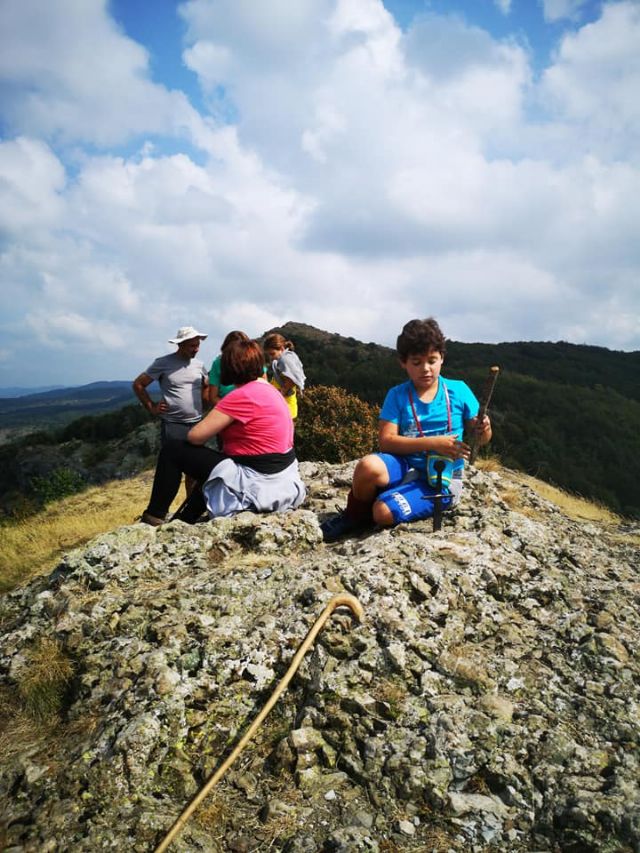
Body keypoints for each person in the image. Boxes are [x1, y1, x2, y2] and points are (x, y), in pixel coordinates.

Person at [320, 317, 492, 542]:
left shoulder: (459, 391)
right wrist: (434, 443)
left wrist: (484, 428)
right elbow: (386, 441)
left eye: (432, 360)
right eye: (416, 362)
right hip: (405, 465)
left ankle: (388, 501)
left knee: (381, 513)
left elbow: (484, 438)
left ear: (442, 358)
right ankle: (353, 516)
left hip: (444, 478)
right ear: (403, 362)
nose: (426, 369)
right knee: (367, 466)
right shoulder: (398, 395)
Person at [140, 339, 306, 526]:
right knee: (214, 465)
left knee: (173, 450)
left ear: (230, 368)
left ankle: (153, 516)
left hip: (256, 480)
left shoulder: (240, 396)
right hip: (284, 478)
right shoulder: (270, 390)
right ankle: (184, 521)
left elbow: (195, 437)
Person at [133, 326, 209, 501]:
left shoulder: (200, 365)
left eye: (197, 345)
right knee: (172, 470)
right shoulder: (163, 363)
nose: (196, 349)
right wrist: (151, 406)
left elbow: (206, 386)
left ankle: (189, 508)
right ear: (180, 345)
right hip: (173, 425)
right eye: (192, 346)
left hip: (197, 423)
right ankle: (160, 510)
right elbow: (138, 384)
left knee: (195, 469)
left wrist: (205, 405)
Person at [263, 333, 306, 421]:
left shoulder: (285, 360)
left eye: (272, 353)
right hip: (285, 406)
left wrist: (280, 394)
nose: (271, 357)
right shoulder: (285, 358)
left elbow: (291, 379)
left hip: (285, 407)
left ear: (281, 349)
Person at [206, 330, 250, 407]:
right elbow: (213, 397)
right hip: (226, 410)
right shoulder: (218, 364)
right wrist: (232, 409)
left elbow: (263, 389)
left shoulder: (254, 361)